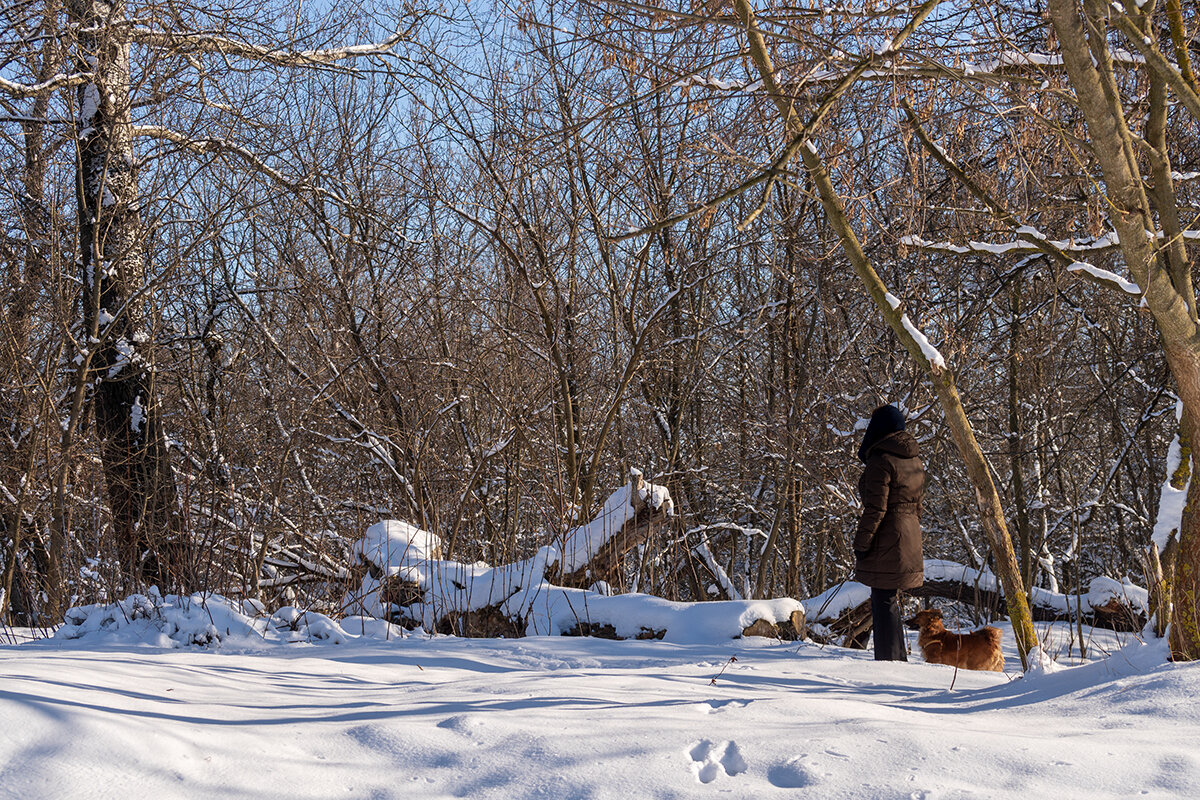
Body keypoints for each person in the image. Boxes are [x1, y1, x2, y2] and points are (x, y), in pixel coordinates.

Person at [854, 405, 925, 661]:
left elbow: (876, 509)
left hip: (887, 535)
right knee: (890, 598)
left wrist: (862, 543)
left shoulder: (881, 461)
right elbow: (918, 506)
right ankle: (897, 659)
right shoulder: (913, 460)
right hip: (909, 534)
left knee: (883, 599)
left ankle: (888, 661)